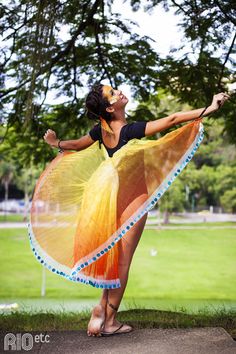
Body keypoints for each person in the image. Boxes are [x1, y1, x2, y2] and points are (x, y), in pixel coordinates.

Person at [31, 85, 229, 338]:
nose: (119, 91)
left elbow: (78, 144)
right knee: (123, 261)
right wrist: (209, 108)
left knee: (115, 256)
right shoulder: (128, 130)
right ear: (111, 108)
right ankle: (110, 319)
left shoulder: (101, 132)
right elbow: (171, 120)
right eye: (112, 93)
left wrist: (55, 142)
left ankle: (101, 310)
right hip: (133, 200)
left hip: (110, 198)